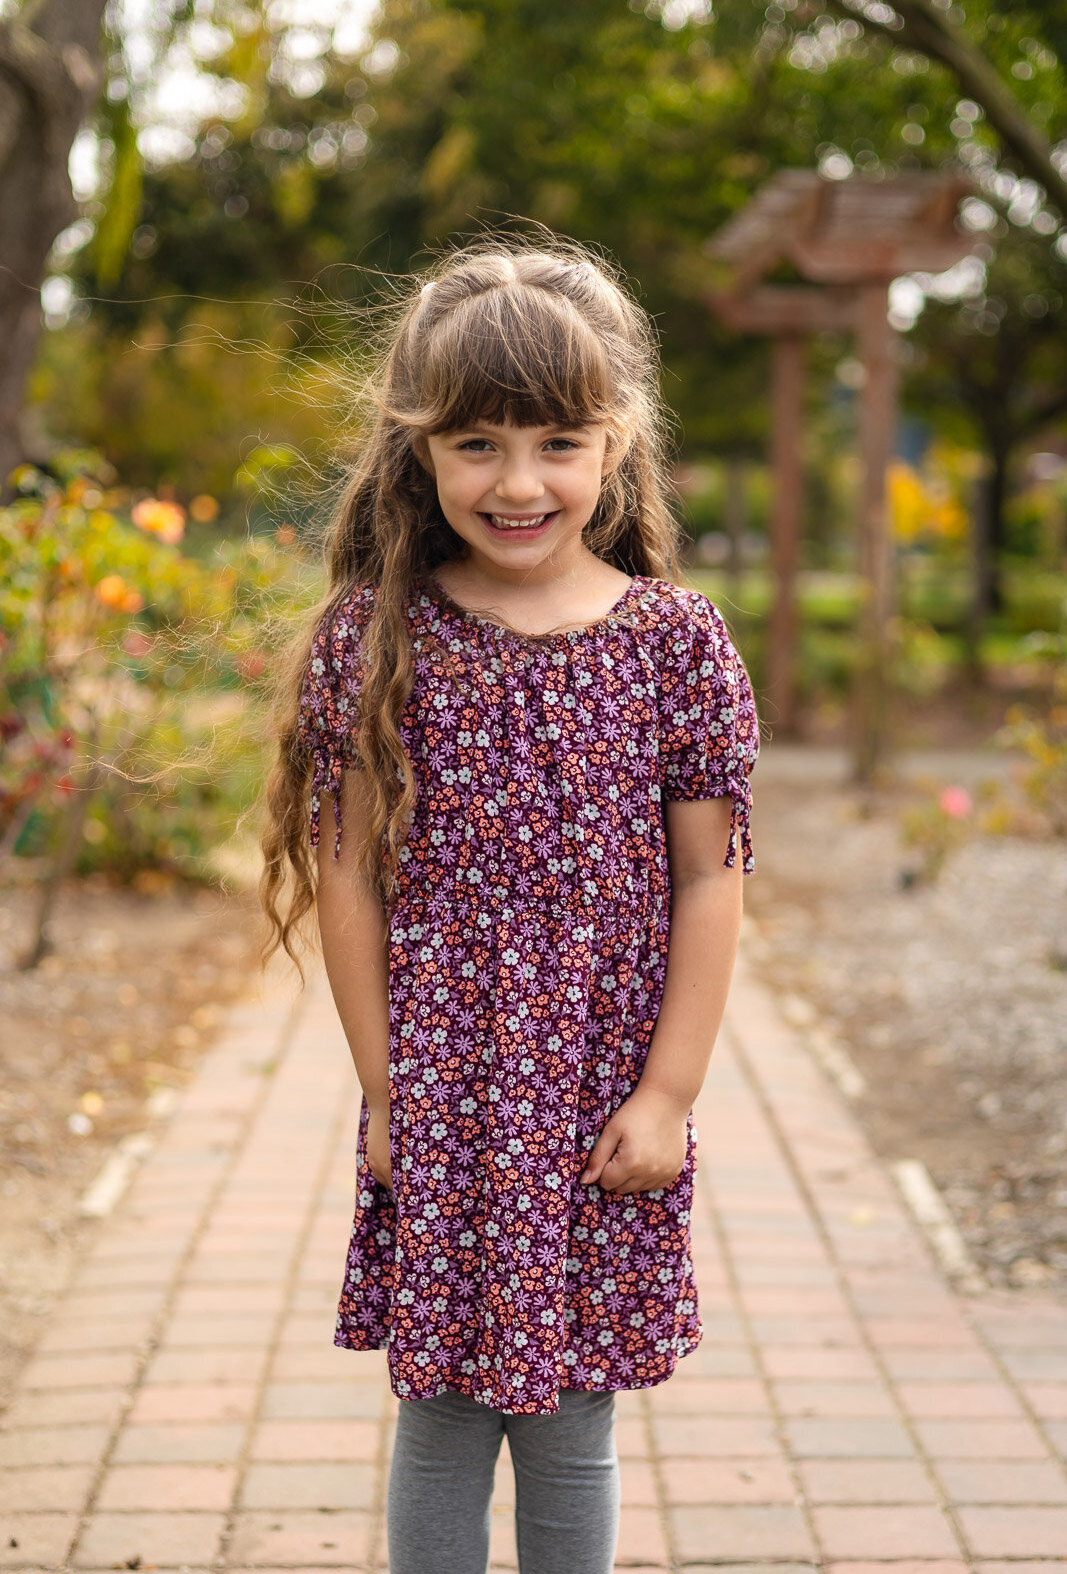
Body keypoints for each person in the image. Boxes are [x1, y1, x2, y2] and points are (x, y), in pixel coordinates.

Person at [261, 237, 759, 1574]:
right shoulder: (381, 639)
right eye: (477, 442)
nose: (521, 480)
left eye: (557, 440)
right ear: (418, 450)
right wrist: (387, 1089)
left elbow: (714, 877)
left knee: (572, 1430)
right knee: (439, 1421)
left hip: (603, 1098)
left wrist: (669, 1095)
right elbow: (352, 883)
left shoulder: (675, 642)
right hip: (450, 1091)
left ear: (617, 442)